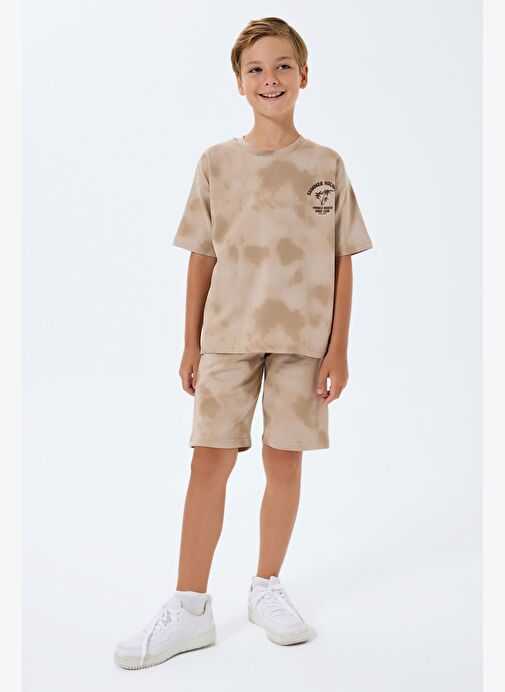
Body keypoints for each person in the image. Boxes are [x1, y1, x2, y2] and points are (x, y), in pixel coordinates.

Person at [114, 16, 373, 670]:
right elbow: (200, 256)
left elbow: (343, 258)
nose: (270, 79)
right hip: (226, 336)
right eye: (256, 69)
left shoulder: (325, 165)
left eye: (283, 66)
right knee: (209, 461)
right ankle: (189, 607)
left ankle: (266, 587)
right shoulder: (217, 163)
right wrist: (190, 343)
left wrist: (339, 349)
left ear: (304, 75)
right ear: (238, 82)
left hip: (303, 341)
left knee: (284, 461)